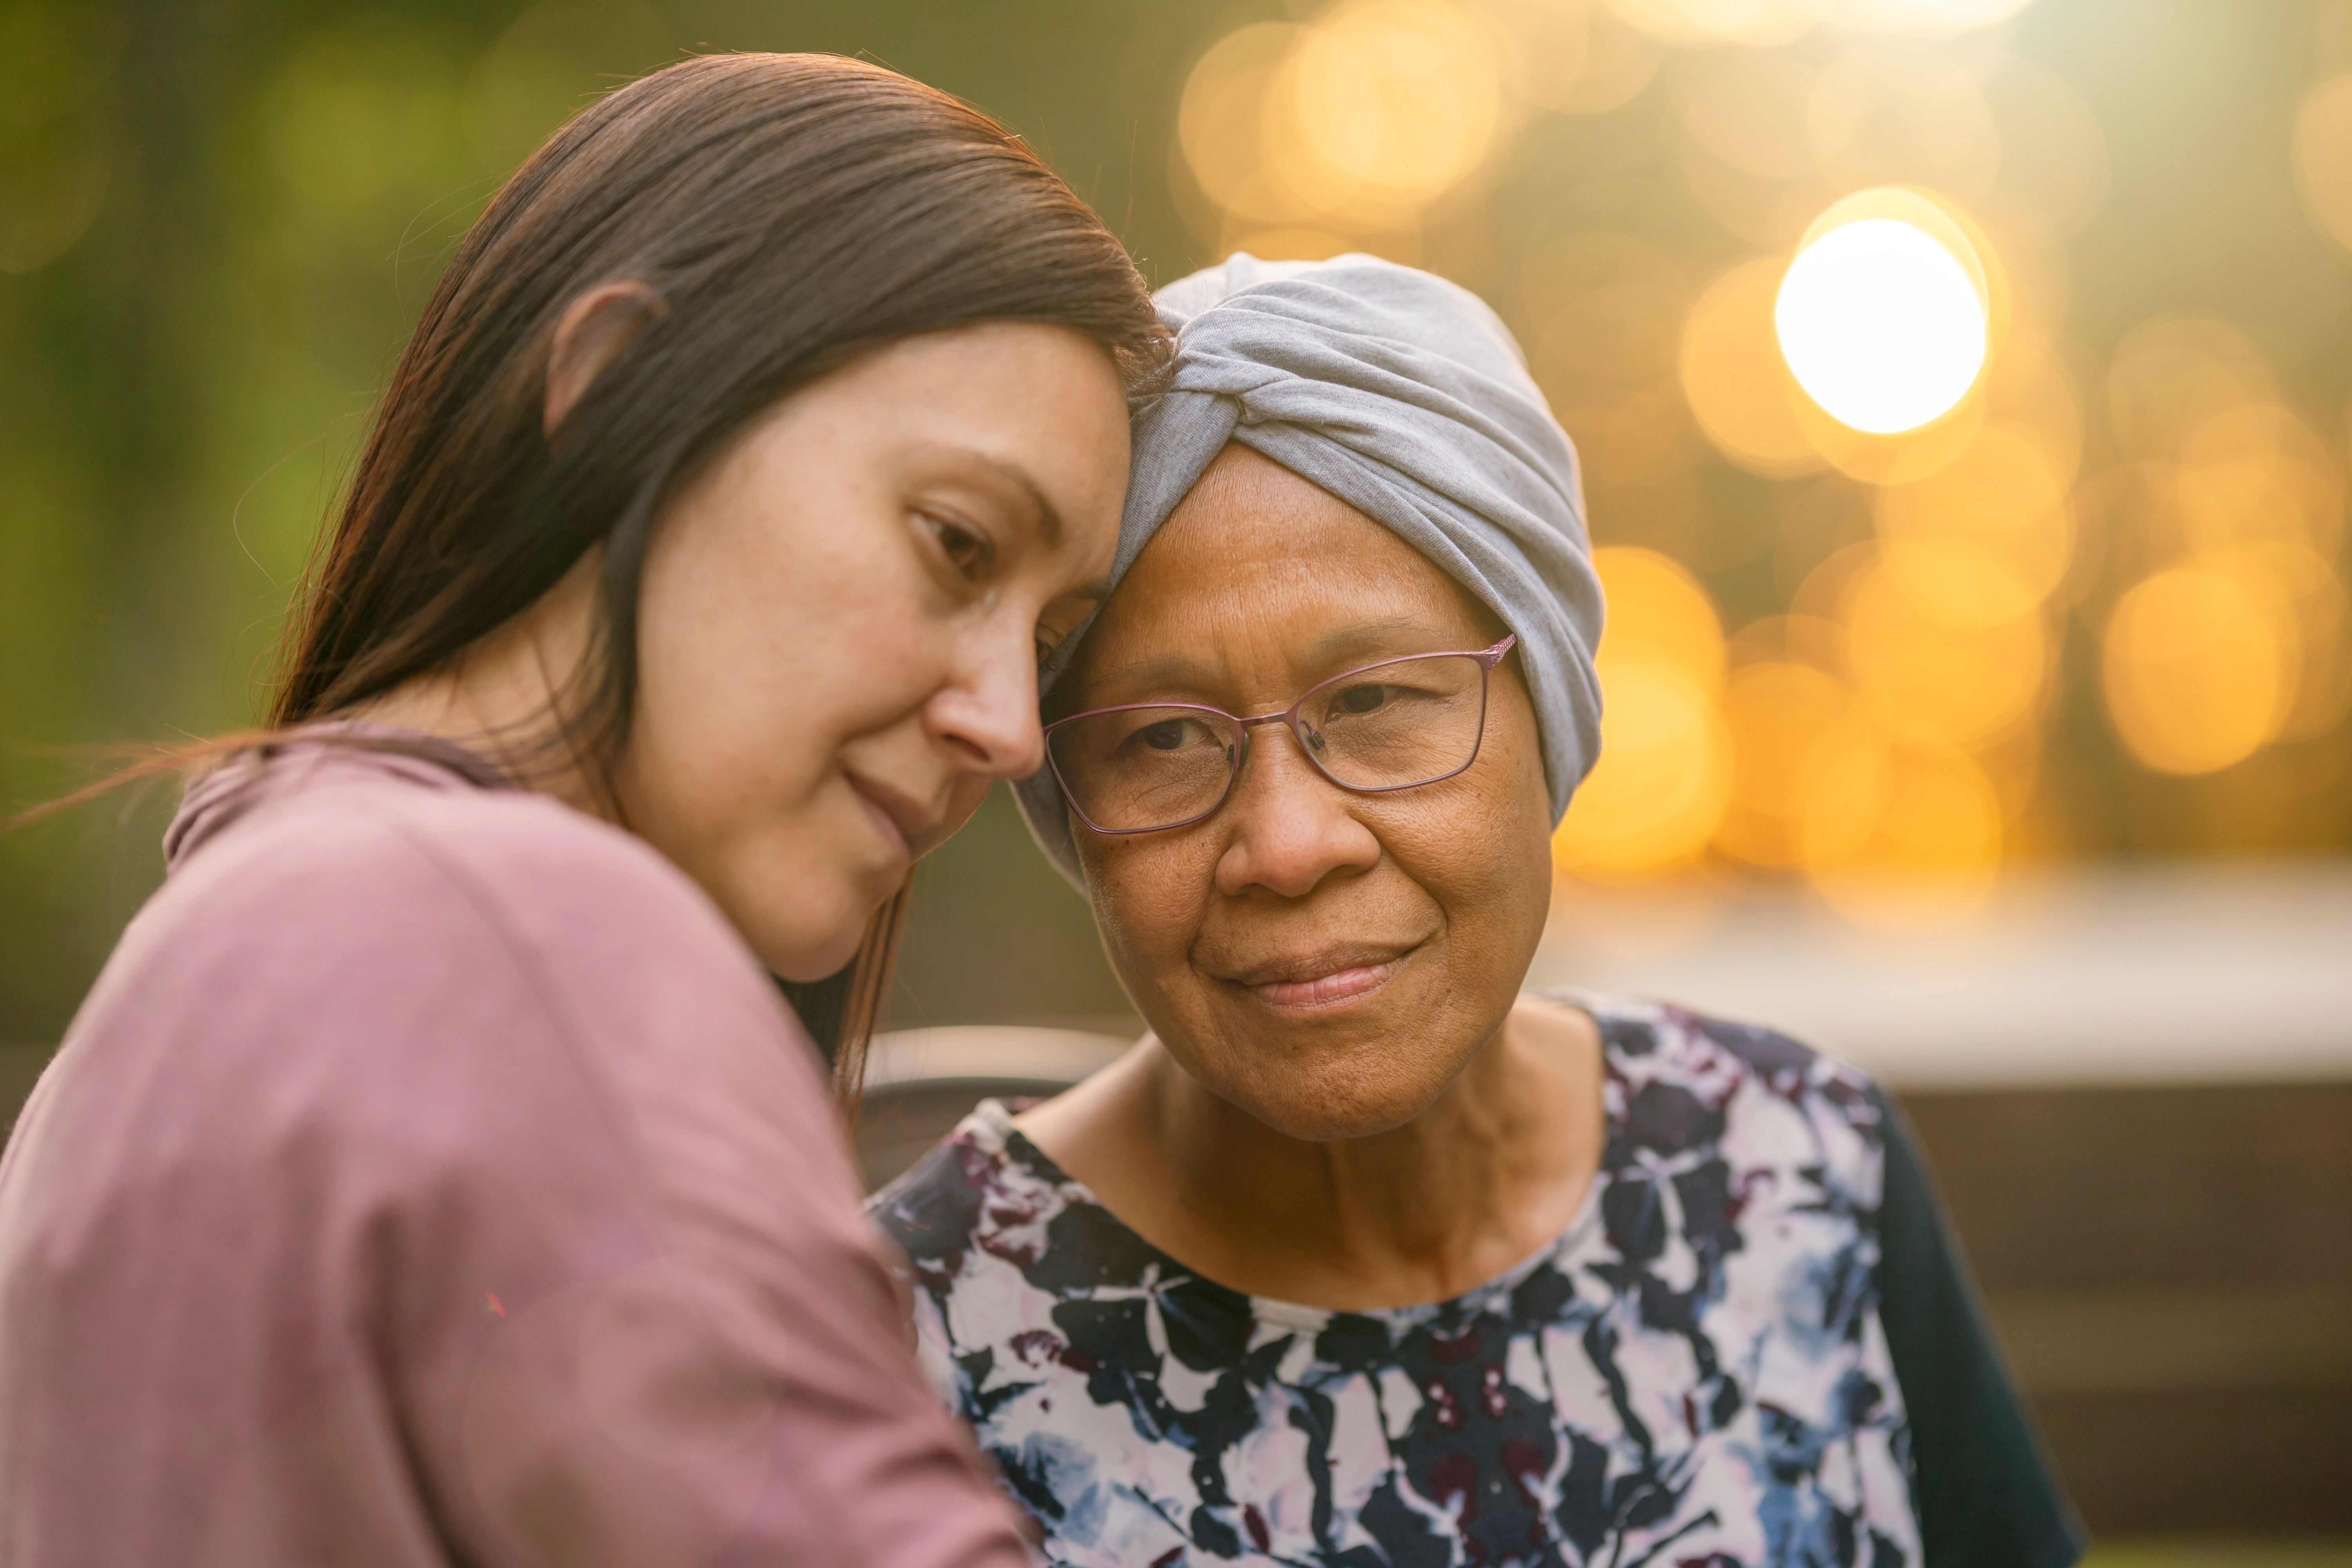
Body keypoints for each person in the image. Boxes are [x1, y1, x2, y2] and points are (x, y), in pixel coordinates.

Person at [0, 54, 1165, 1564]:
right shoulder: (521, 942)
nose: (1012, 727)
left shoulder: (222, 950)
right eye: (955, 545)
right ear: (616, 387)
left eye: (1052, 640)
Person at [871, 254, 2083, 1568]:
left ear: (1546, 709)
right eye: (1164, 736)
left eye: (1381, 702)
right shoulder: (897, 1353)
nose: (1286, 845)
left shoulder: (1802, 1172)